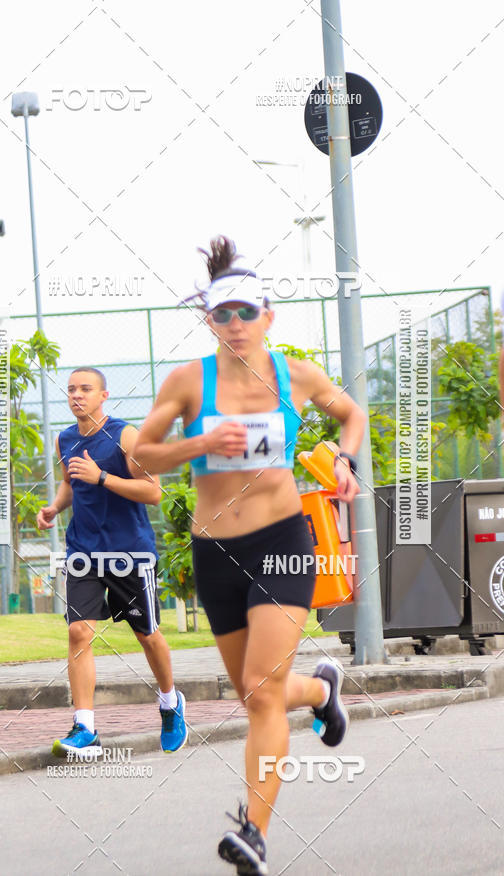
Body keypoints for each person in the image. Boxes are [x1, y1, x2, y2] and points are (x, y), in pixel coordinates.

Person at [131, 237, 365, 875]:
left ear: (268, 314)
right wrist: (198, 441)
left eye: (246, 312)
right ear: (209, 318)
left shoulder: (293, 374)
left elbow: (351, 414)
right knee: (252, 690)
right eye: (222, 314)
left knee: (261, 694)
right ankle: (320, 691)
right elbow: (141, 455)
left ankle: (253, 834)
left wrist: (343, 457)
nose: (235, 325)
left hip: (283, 541)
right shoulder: (188, 382)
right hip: (216, 552)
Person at [37, 367, 187, 759]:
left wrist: (102, 476)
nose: (76, 395)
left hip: (129, 553)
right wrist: (55, 506)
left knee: (147, 635)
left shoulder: (125, 435)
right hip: (83, 552)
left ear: (104, 395)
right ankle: (85, 726)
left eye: (85, 389)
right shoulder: (65, 439)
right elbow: (71, 481)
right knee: (78, 633)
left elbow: (153, 491)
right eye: (71, 389)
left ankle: (171, 703)